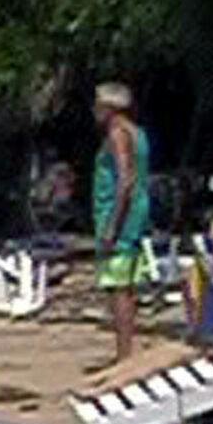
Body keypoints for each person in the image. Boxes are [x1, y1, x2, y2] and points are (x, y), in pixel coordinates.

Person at [92, 81, 152, 363]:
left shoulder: (118, 134)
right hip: (135, 210)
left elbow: (125, 179)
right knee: (125, 283)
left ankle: (124, 353)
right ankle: (125, 350)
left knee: (118, 285)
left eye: (98, 105)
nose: (95, 111)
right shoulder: (137, 133)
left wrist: (112, 226)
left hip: (121, 214)